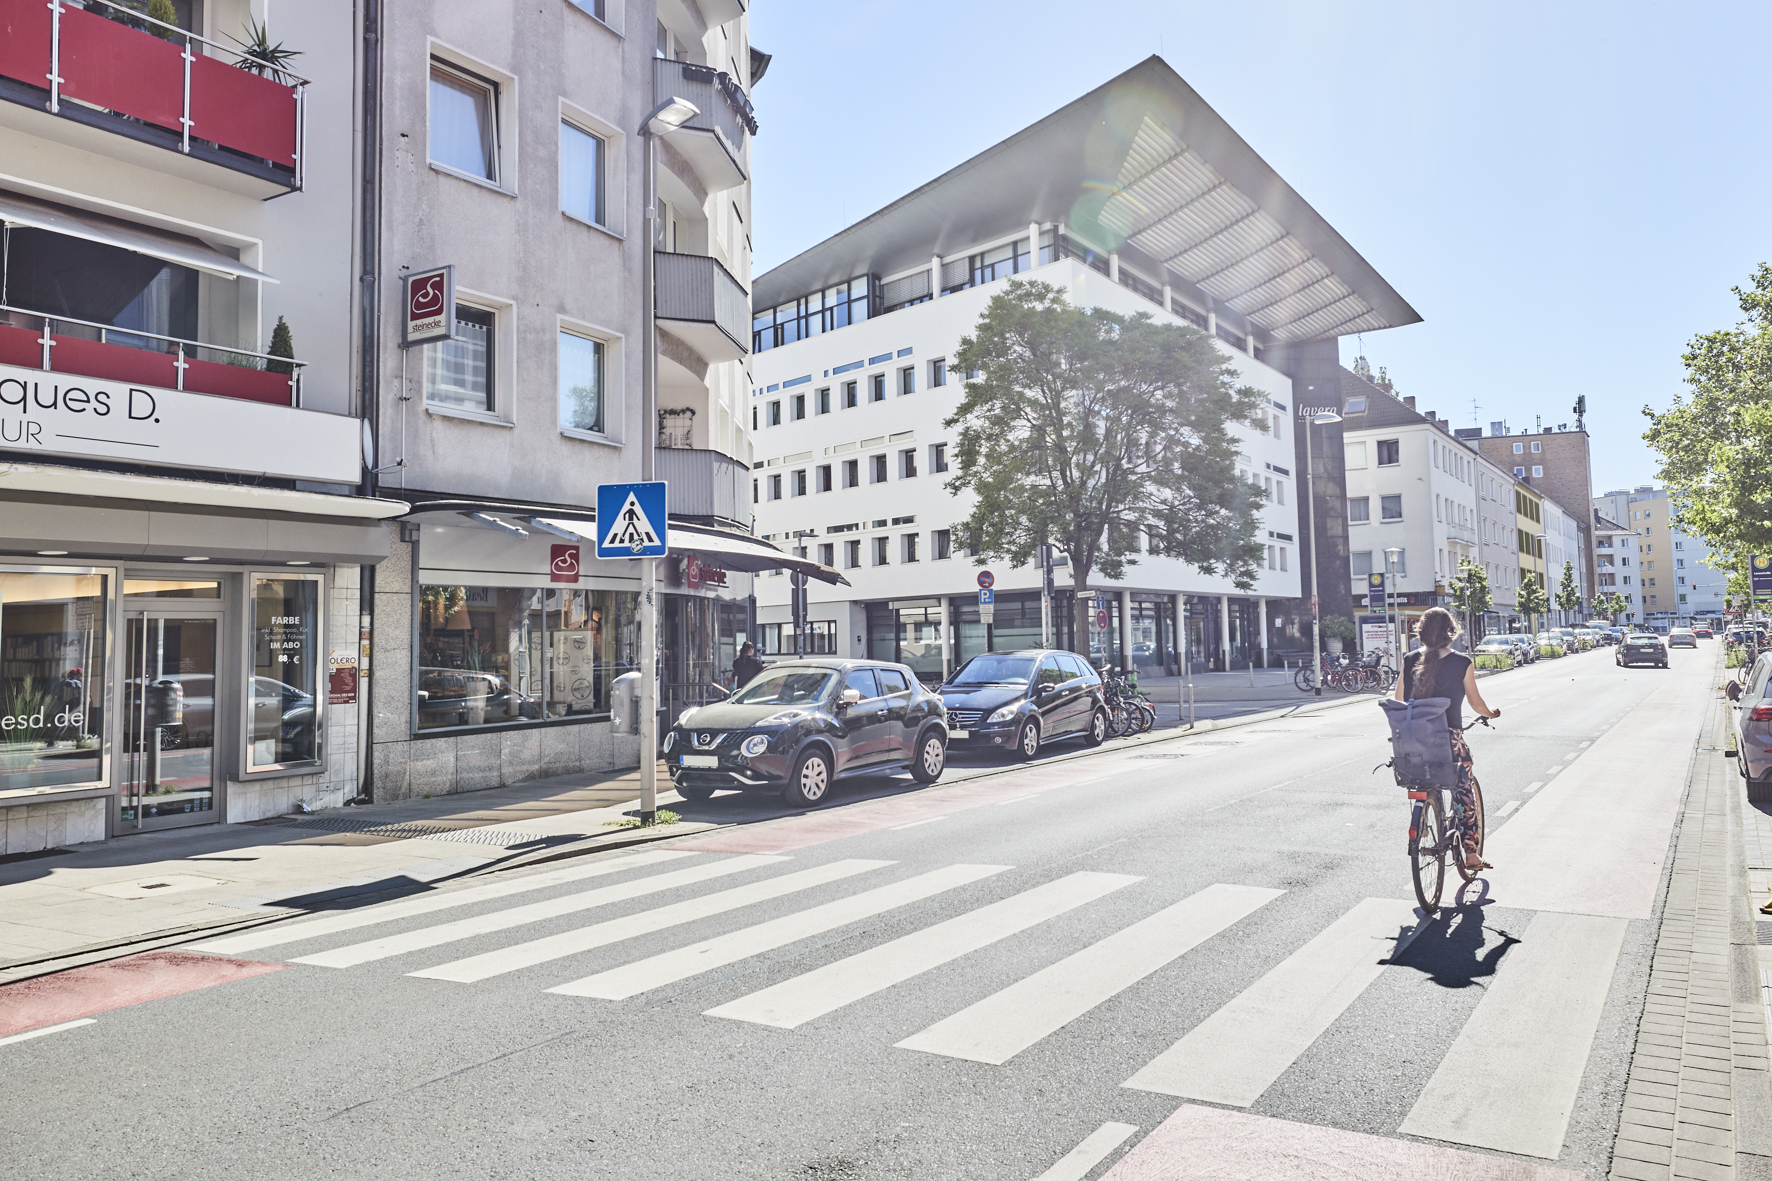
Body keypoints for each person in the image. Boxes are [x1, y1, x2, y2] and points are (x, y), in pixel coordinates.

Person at [1393, 607, 1500, 872]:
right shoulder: (1462, 662)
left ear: (1422, 633)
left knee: (1425, 782)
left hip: (1413, 744)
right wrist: (1492, 713)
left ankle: (1426, 809)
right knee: (1464, 793)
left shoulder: (1408, 660)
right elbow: (1476, 704)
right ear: (1451, 633)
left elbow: (1398, 700)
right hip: (1447, 742)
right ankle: (1471, 854)